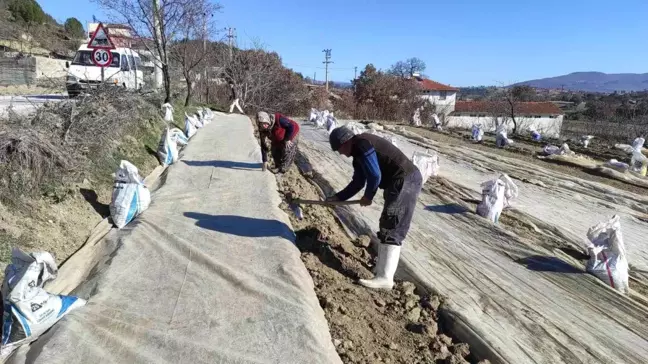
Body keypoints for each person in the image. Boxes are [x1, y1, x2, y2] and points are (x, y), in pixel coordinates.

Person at [327, 126, 422, 290]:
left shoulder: (363, 145)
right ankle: (381, 270)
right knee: (387, 222)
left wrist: (368, 196)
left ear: (346, 141)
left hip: (406, 179)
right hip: (398, 181)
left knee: (393, 224)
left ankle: (385, 278)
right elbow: (358, 182)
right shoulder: (358, 154)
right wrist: (338, 198)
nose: (340, 153)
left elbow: (375, 175)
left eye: (339, 149)